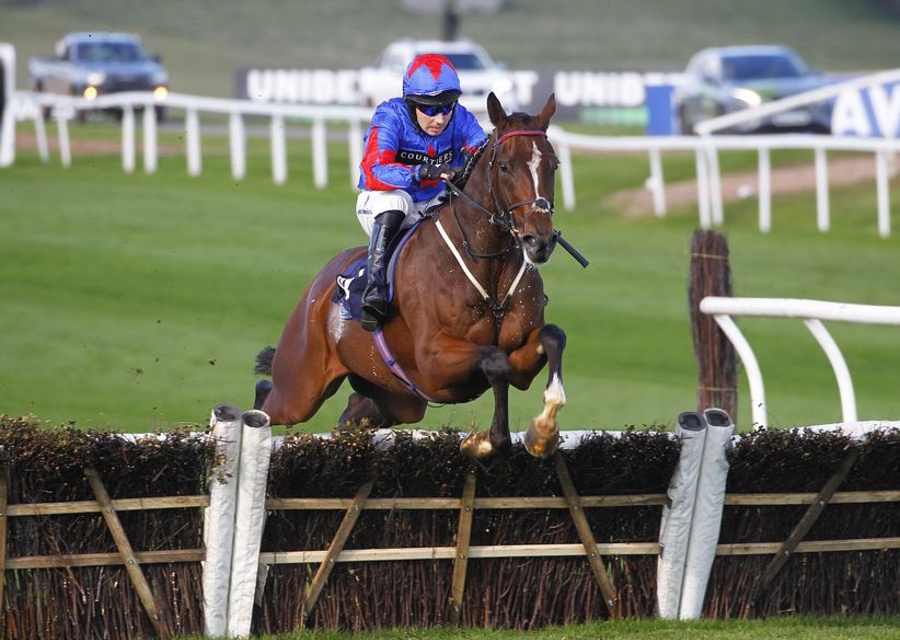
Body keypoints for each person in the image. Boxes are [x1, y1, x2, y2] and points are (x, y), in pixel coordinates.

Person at [355, 53, 488, 331]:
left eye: (447, 107)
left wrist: (469, 172)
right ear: (412, 103)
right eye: (429, 109)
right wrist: (420, 172)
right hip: (381, 203)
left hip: (434, 203)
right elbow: (373, 170)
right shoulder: (390, 115)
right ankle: (374, 287)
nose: (440, 118)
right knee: (398, 200)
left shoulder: (461, 118)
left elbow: (483, 154)